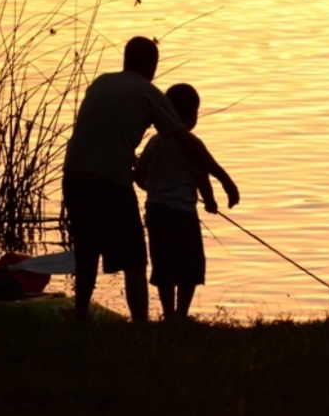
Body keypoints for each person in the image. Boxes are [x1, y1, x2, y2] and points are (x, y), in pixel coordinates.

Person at [61, 37, 238, 322]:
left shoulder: (101, 83)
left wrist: (131, 162)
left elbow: (102, 132)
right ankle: (141, 325)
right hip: (109, 182)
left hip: (73, 175)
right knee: (134, 258)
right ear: (151, 65)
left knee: (87, 251)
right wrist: (224, 179)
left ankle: (80, 314)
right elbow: (186, 142)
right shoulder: (149, 92)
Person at [135, 83, 219, 321]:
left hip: (156, 212)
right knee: (189, 265)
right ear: (192, 116)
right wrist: (210, 202)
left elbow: (140, 177)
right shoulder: (191, 143)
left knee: (164, 264)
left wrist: (152, 186)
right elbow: (202, 177)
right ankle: (182, 313)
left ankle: (168, 313)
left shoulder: (154, 142)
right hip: (182, 214)